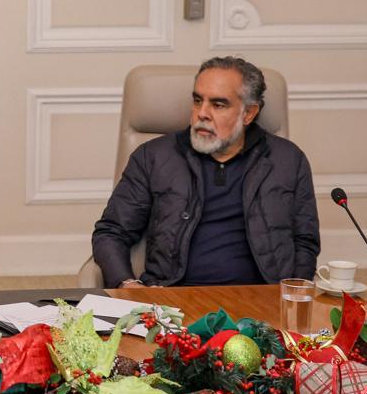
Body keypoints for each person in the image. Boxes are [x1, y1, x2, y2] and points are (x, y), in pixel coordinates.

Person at [92, 56, 319, 288]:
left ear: (248, 113)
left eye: (218, 105)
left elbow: (305, 241)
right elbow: (111, 232)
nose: (202, 113)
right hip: (172, 300)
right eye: (198, 100)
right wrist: (127, 284)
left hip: (261, 302)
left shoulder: (288, 160)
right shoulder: (154, 156)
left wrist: (294, 296)